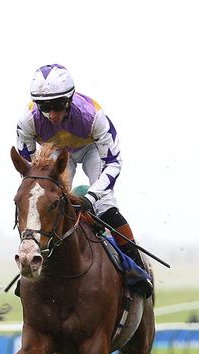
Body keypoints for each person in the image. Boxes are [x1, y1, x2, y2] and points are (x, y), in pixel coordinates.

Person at [15, 64, 153, 297]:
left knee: (104, 204)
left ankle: (136, 267)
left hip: (92, 152)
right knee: (41, 205)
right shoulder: (27, 120)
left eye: (58, 105)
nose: (52, 115)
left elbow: (113, 162)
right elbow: (29, 173)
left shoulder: (94, 116)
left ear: (69, 99)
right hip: (57, 153)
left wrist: (90, 197)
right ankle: (30, 264)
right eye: (44, 107)